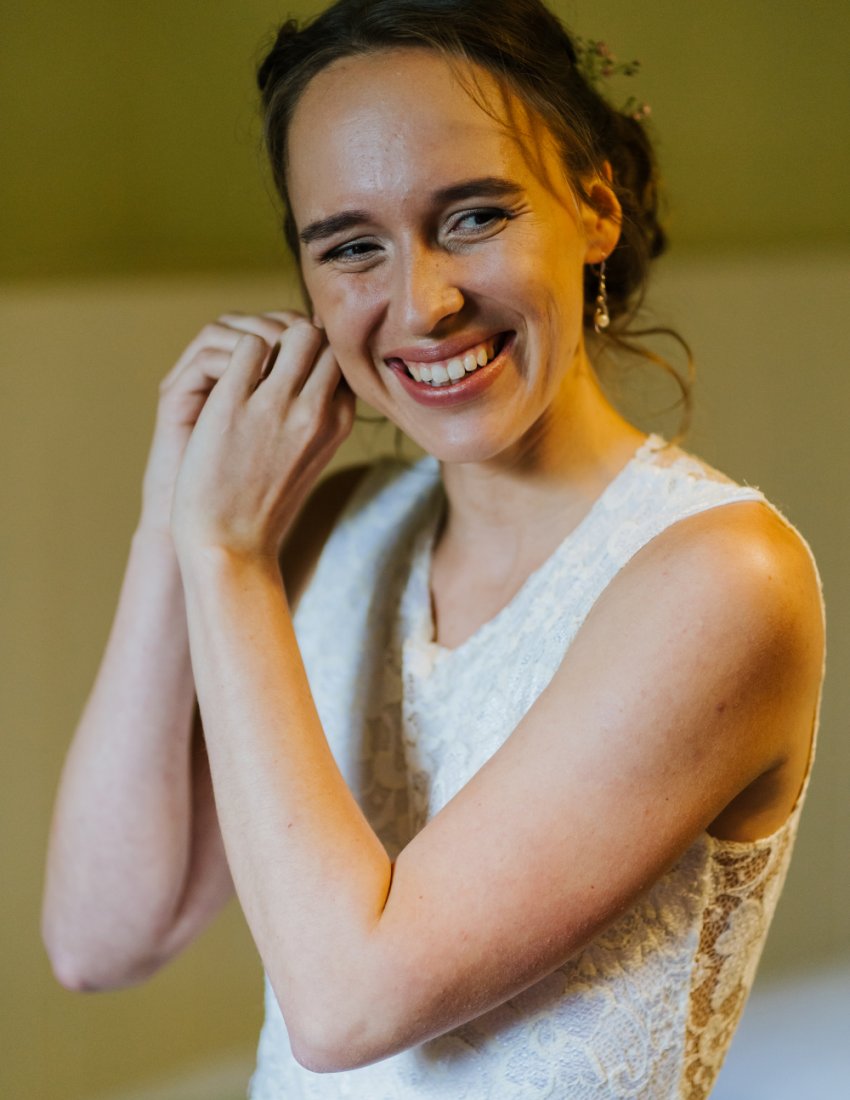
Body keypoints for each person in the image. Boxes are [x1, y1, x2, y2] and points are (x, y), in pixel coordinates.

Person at [42, 1, 826, 1096]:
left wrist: (224, 553)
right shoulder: (328, 531)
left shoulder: (720, 580)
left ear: (595, 208)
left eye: (474, 216)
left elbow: (344, 1004)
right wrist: (168, 524)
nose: (424, 303)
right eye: (352, 246)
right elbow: (99, 939)